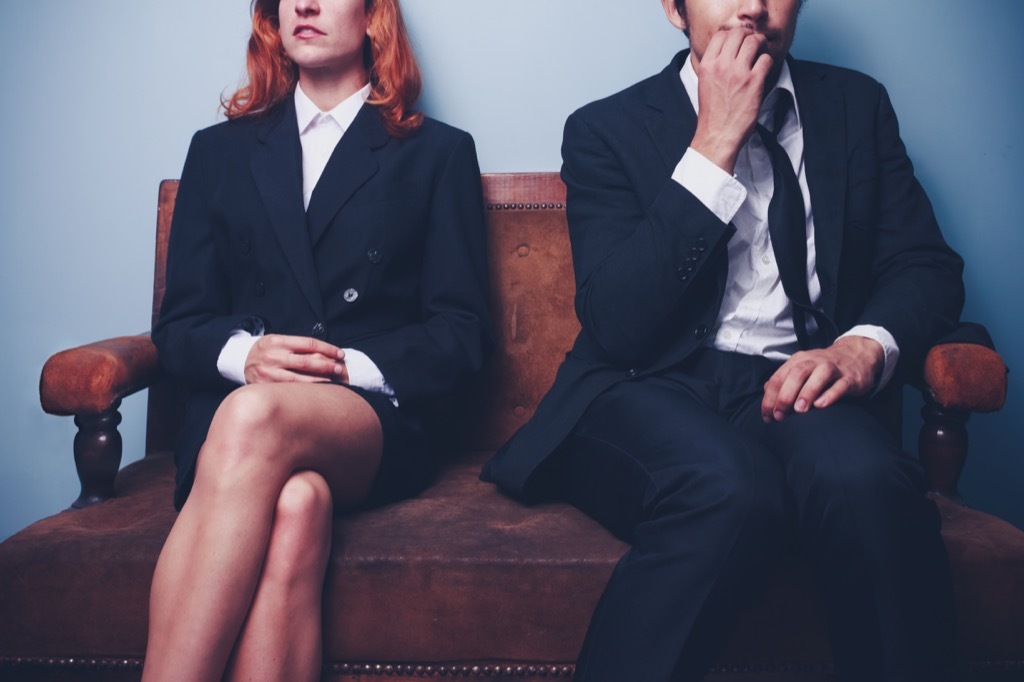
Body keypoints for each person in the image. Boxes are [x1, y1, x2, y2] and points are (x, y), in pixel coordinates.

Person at [482, 1, 963, 680]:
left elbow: (926, 267)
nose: (752, 7)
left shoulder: (857, 107)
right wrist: (715, 141)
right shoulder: (606, 128)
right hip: (643, 385)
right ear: (674, 9)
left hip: (795, 383)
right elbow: (616, 325)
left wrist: (865, 346)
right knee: (728, 488)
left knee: (866, 482)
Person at [144, 0, 492, 679]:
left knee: (253, 416)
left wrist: (344, 368)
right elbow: (179, 327)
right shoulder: (218, 152)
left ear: (373, 18)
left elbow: (463, 332)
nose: (303, 3)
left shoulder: (436, 152)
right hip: (234, 426)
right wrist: (247, 356)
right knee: (298, 503)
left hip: (367, 418)